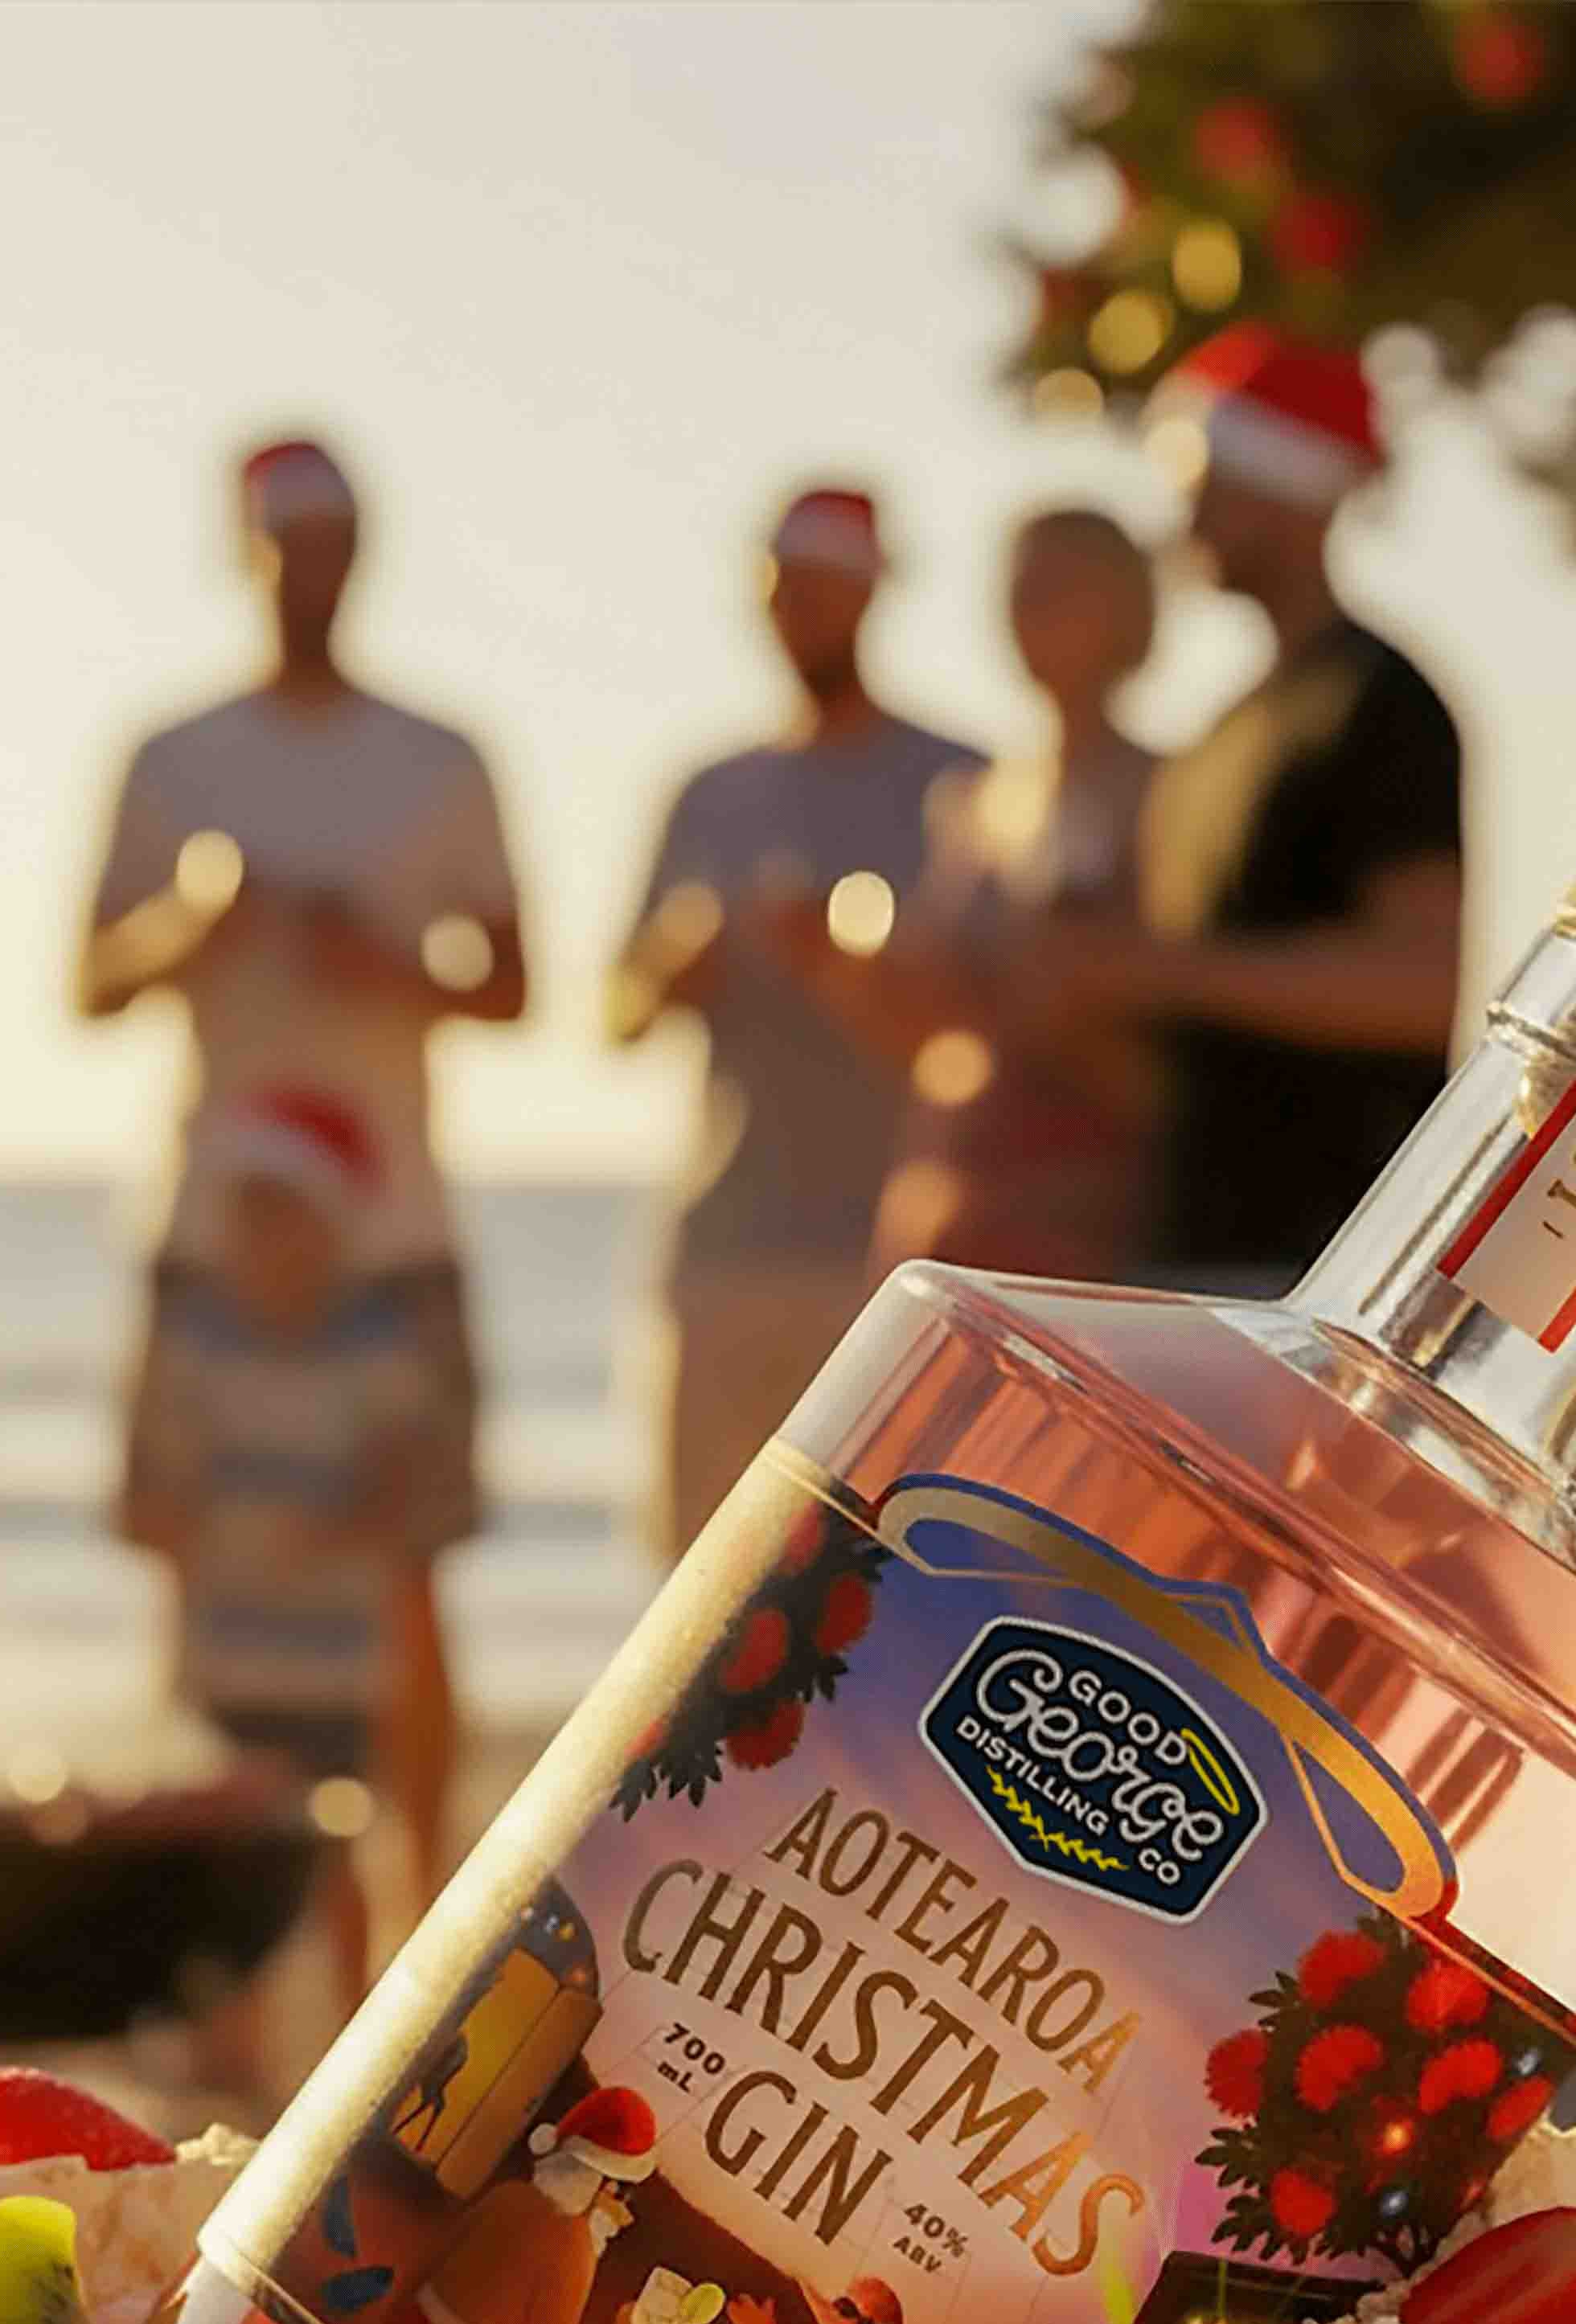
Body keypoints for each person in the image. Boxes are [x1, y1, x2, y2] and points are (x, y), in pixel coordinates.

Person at [80, 432, 523, 1914]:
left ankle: (415, 1907)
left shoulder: (440, 756)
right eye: (288, 543)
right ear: (246, 550)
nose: (310, 571)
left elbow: (516, 986)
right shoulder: (170, 757)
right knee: (195, 1570)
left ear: (363, 555)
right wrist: (189, 926)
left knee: (407, 1572)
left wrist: (382, 963)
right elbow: (88, 977)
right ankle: (211, 1896)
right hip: (212, 1221)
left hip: (394, 1224)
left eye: (334, 542)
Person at [1028, 326, 1465, 1293]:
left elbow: (1420, 985)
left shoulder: (1379, 703)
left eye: (1202, 479)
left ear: (1285, 491)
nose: (1180, 514)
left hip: (1329, 1273)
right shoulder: (1210, 744)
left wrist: (1148, 969)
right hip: (1189, 1260)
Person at [609, 486, 979, 1551]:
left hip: (896, 1256)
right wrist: (672, 967)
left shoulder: (956, 784)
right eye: (781, 591)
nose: (797, 614)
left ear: (869, 595)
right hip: (724, 1246)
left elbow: (981, 1034)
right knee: (695, 1581)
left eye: (819, 589)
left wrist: (844, 972)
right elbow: (617, 1013)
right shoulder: (708, 791)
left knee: (884, 1582)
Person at [115, 1091, 421, 2082]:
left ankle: (353, 2033)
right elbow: (144, 1494)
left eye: (283, 1214)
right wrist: (180, 1528)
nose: (263, 1241)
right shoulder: (199, 1342)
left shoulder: (374, 1345)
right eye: (247, 1216)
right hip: (229, 1650)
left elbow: (404, 1491)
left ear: (335, 1224)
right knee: (223, 1856)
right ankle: (228, 2046)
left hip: (335, 1656)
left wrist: (326, 1530)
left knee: (334, 1851)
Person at [779, 505, 1167, 1285]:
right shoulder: (972, 800)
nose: (1027, 610)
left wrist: (1022, 998)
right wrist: (857, 977)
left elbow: (1159, 1043)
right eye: (1018, 588)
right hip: (957, 1194)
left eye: (1058, 586)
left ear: (1125, 607)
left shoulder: (1165, 795)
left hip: (1085, 1218)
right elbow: (934, 1046)